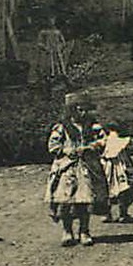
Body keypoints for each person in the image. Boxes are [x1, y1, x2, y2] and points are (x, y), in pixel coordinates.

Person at [46, 93, 107, 247]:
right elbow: (52, 145)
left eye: (86, 110)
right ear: (71, 110)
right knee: (66, 200)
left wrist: (91, 146)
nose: (83, 113)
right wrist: (66, 150)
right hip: (67, 168)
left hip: (87, 167)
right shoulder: (62, 128)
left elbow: (103, 140)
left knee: (85, 200)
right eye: (79, 110)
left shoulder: (93, 126)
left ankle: (84, 231)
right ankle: (67, 231)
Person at [98, 121, 133, 223]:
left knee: (108, 189)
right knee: (124, 189)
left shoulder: (105, 140)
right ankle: (122, 213)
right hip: (121, 167)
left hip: (108, 168)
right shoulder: (126, 140)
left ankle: (108, 214)